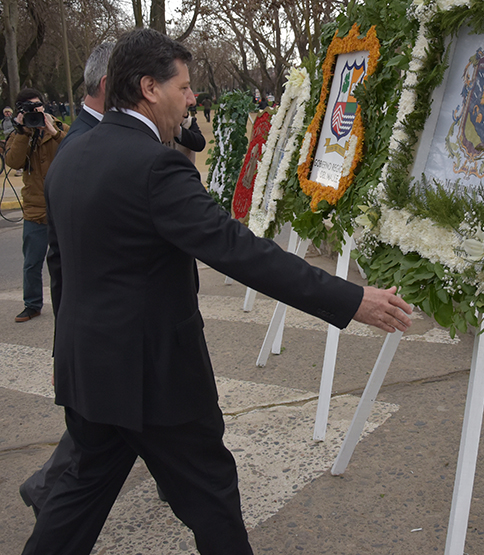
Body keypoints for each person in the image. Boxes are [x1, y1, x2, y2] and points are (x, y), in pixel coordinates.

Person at [21, 28, 411, 555]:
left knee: (73, 505)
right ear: (148, 88)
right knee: (213, 501)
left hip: (88, 370)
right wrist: (351, 300)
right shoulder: (157, 166)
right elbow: (240, 251)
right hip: (156, 381)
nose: (191, 99)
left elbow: (62, 268)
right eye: (183, 87)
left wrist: (71, 346)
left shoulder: (72, 154)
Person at [17, 42, 114, 518]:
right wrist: (64, 345)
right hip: (99, 329)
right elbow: (64, 263)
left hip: (101, 329)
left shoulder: (89, 138)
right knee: (94, 439)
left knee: (98, 435)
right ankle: (46, 490)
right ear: (106, 86)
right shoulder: (82, 143)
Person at [4, 88, 69, 323]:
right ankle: (32, 304)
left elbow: (76, 150)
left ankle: (68, 303)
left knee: (64, 262)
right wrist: (23, 131)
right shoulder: (20, 134)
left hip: (61, 207)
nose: (36, 110)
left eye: (38, 105)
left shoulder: (59, 128)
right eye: (30, 107)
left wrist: (52, 130)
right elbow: (13, 161)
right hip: (34, 209)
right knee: (31, 263)